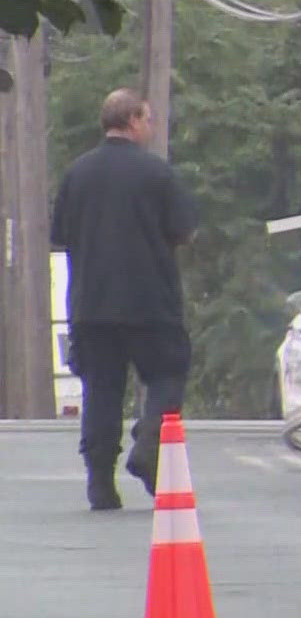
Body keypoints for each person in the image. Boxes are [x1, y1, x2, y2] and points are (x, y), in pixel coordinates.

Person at [50, 88, 198, 511]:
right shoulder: (157, 174)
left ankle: (100, 483)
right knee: (168, 374)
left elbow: (60, 234)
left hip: (92, 303)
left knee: (101, 388)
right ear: (133, 120)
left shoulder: (77, 175)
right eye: (148, 119)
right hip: (152, 302)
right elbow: (186, 231)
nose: (151, 127)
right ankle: (150, 442)